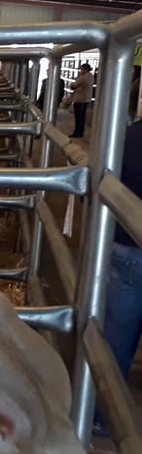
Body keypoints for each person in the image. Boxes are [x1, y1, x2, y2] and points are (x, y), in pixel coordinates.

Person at [95, 116, 142, 435]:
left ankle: (101, 414)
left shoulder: (125, 136)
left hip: (123, 248)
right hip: (128, 250)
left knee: (115, 338)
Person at [63, 61, 95, 139]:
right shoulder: (91, 76)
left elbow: (73, 86)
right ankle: (80, 132)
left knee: (79, 117)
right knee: (82, 117)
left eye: (81, 69)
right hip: (86, 99)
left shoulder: (83, 78)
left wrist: (73, 83)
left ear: (85, 69)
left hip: (80, 100)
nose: (80, 71)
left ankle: (77, 132)